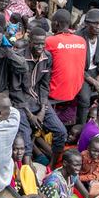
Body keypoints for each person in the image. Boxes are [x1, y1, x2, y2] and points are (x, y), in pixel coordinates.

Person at [13, 28, 67, 164]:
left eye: (42, 44)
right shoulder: (19, 58)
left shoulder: (47, 57)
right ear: (29, 42)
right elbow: (15, 89)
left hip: (38, 100)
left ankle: (53, 165)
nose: (40, 47)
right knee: (25, 136)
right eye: (36, 44)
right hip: (21, 102)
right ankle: (25, 171)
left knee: (61, 132)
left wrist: (43, 109)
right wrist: (30, 115)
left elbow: (44, 85)